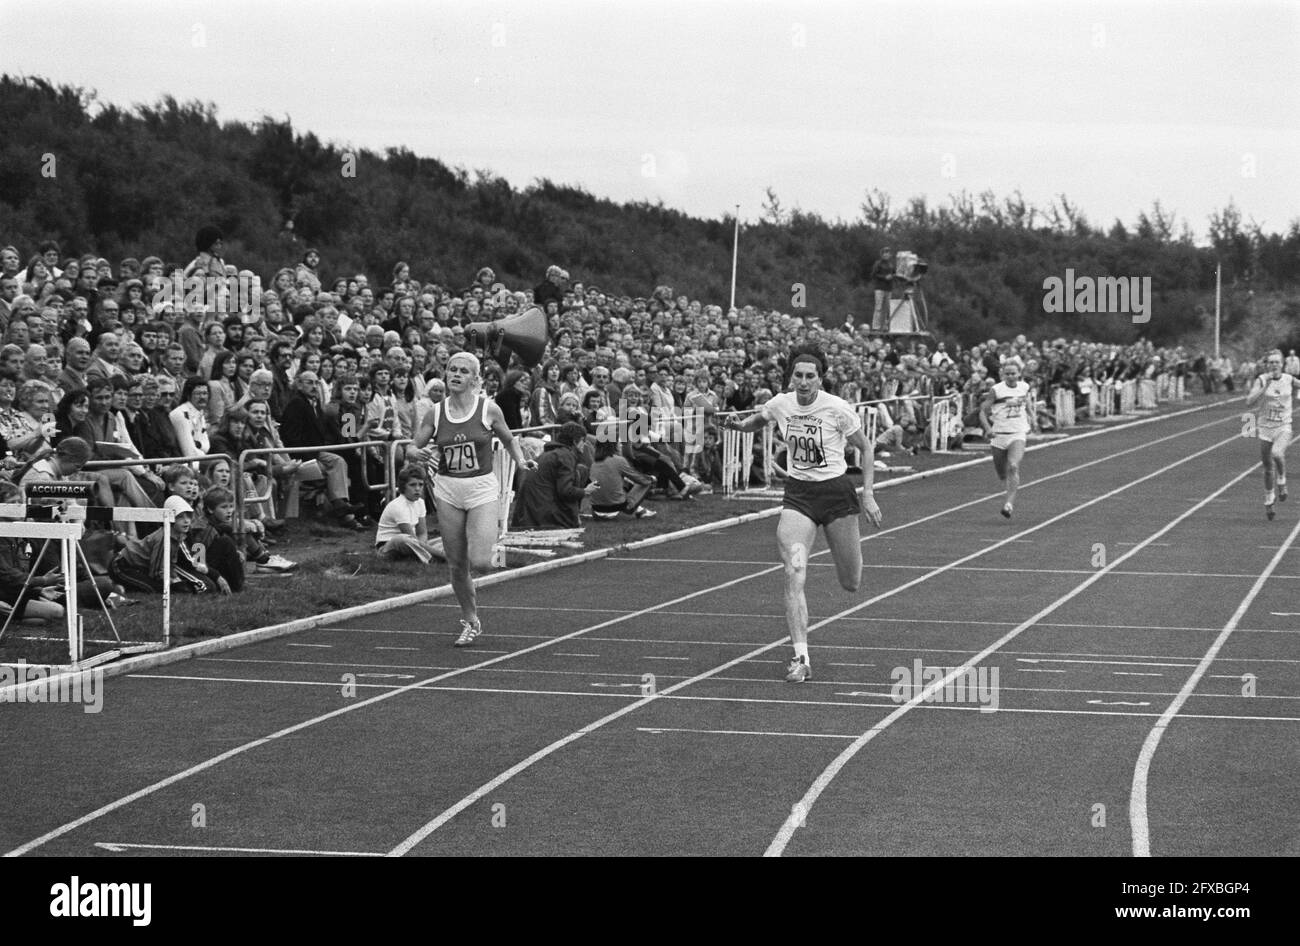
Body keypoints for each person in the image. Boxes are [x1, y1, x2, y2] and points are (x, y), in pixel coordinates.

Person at [720, 346, 882, 683]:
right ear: (791, 377)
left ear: (820, 379)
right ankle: (801, 657)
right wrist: (738, 426)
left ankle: (804, 647)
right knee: (794, 572)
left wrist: (868, 494)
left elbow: (865, 449)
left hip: (837, 495)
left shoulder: (837, 409)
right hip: (799, 498)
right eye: (798, 376)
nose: (804, 382)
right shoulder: (781, 403)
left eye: (810, 376)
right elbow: (758, 420)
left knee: (851, 583)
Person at [409, 351, 537, 647]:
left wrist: (520, 460)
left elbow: (507, 438)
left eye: (463, 371)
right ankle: (470, 620)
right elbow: (412, 447)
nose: (455, 375)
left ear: (474, 379)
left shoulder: (488, 410)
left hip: (481, 487)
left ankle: (490, 536)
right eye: (452, 369)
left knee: (482, 562)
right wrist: (416, 452)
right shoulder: (435, 413)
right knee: (456, 565)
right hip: (448, 489)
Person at [512, 421, 598, 529]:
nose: (584, 444)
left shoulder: (551, 454)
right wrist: (586, 491)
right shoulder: (565, 455)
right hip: (540, 516)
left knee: (580, 470)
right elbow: (565, 491)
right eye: (582, 440)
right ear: (575, 441)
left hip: (526, 515)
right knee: (580, 472)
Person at [1246, 349, 1300, 520]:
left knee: (1277, 453)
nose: (1274, 365)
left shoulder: (1289, 379)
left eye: (1277, 362)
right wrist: (1264, 388)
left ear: (1282, 364)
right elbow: (1249, 402)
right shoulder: (1261, 380)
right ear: (1267, 365)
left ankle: (1282, 480)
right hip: (1264, 428)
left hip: (1283, 426)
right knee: (1268, 468)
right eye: (1271, 362)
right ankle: (1269, 498)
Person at [980, 359, 1033, 518]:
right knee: (1002, 474)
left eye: (1014, 373)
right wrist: (988, 429)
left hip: (1017, 433)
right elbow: (982, 412)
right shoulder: (996, 390)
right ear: (1002, 374)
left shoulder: (1024, 387)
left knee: (1013, 465)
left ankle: (1009, 504)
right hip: (999, 435)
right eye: (1007, 373)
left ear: (1019, 374)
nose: (1011, 376)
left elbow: (1026, 401)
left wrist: (1032, 415)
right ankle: (1008, 486)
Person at [375, 465, 436, 563]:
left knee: (443, 540)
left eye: (420, 485)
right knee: (403, 539)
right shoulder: (398, 505)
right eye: (412, 485)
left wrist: (423, 546)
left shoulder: (420, 502)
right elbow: (410, 536)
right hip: (388, 547)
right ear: (403, 487)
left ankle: (424, 555)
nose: (417, 488)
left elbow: (422, 533)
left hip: (413, 543)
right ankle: (438, 557)